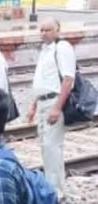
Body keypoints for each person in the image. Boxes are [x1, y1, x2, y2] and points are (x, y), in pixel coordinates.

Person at [28, 18, 74, 194]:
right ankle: (50, 186)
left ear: (57, 30)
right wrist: (33, 104)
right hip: (42, 101)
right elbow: (42, 80)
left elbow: (68, 79)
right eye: (41, 30)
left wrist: (57, 107)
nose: (43, 33)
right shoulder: (45, 50)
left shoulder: (62, 48)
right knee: (45, 146)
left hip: (53, 101)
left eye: (48, 30)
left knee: (52, 147)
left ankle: (56, 191)